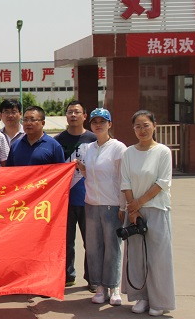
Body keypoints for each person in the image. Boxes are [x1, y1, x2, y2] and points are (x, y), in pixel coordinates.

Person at [120, 110, 175, 317]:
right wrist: (132, 209)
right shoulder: (129, 153)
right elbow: (125, 182)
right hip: (134, 211)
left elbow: (162, 183)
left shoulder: (162, 152)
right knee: (137, 256)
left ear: (154, 126)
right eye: (138, 126)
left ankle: (159, 301)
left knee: (158, 258)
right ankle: (141, 297)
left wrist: (138, 204)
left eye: (146, 125)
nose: (142, 130)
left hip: (156, 209)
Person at [76, 108, 127, 306]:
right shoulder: (88, 148)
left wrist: (123, 206)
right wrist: (81, 168)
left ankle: (113, 287)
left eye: (102, 122)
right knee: (94, 247)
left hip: (112, 205)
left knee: (112, 247)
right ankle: (99, 287)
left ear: (110, 124)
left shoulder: (118, 148)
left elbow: (123, 178)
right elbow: (90, 175)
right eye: (95, 122)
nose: (98, 125)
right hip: (91, 204)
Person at [54, 100, 97, 289]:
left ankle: (93, 278)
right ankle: (67, 275)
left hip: (89, 199)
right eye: (70, 112)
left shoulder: (94, 139)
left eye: (77, 112)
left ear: (84, 116)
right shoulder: (57, 141)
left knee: (91, 241)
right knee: (66, 241)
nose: (73, 115)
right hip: (65, 200)